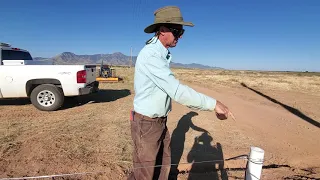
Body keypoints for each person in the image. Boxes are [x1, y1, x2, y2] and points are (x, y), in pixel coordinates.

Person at [128, 6, 235, 180]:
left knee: (162, 167)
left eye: (181, 31)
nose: (181, 36)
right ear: (162, 30)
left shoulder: (160, 53)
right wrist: (213, 104)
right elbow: (177, 91)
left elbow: (190, 122)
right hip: (147, 124)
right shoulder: (151, 56)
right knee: (144, 174)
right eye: (177, 31)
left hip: (158, 122)